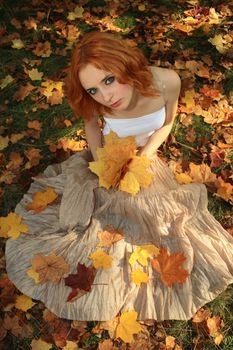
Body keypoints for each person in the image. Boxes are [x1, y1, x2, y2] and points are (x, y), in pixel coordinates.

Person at [5, 31, 233, 322]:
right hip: (111, 155)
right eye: (94, 90)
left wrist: (147, 154)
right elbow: (91, 126)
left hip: (145, 158)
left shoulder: (167, 82)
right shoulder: (98, 102)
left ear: (125, 63)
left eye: (109, 79)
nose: (106, 96)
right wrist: (102, 165)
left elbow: (167, 123)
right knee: (97, 223)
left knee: (154, 223)